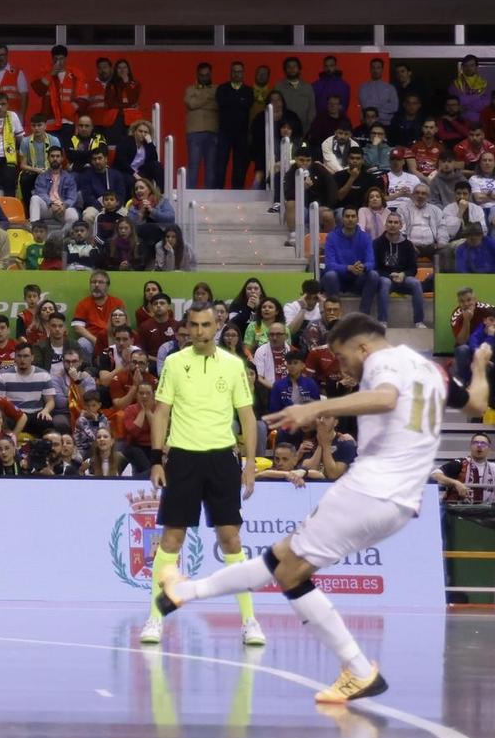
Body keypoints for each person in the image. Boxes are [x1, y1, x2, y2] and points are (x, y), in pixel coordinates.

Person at [157, 315, 455, 704]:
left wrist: (313, 410)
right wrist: (480, 369)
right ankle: (185, 592)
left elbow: (385, 397)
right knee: (281, 557)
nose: (341, 365)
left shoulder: (384, 361)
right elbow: (474, 399)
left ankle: (359, 669)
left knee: (292, 572)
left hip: (371, 489)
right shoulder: (428, 368)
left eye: (341, 355)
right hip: (401, 500)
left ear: (362, 346)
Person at [138, 301, 264, 648]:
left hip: (222, 459)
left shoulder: (234, 364)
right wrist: (157, 458)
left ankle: (249, 620)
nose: (199, 331)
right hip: (182, 459)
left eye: (205, 325)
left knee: (231, 540)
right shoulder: (175, 363)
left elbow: (248, 418)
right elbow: (161, 412)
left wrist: (250, 464)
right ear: (187, 327)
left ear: (216, 327)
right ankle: (155, 617)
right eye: (193, 325)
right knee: (170, 540)